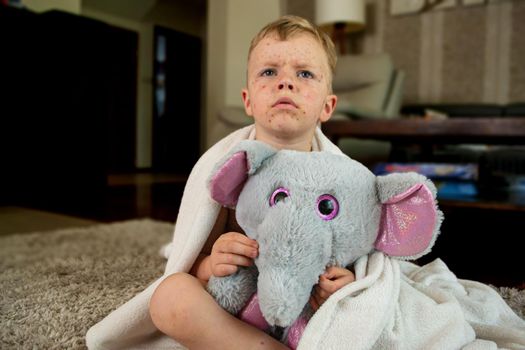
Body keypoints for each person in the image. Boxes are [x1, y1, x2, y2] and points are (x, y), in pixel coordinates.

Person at [148, 15, 355, 350]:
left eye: (304, 73)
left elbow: (361, 251)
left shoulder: (341, 178)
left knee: (356, 313)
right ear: (247, 101)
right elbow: (193, 256)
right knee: (168, 297)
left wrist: (347, 284)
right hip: (236, 306)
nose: (285, 82)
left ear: (327, 106)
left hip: (304, 309)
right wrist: (211, 263)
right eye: (269, 72)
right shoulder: (227, 167)